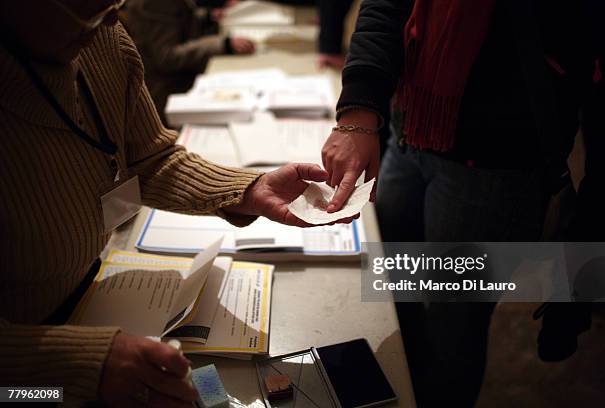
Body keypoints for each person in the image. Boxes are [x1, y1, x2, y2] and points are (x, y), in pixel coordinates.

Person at [0, 0, 350, 405]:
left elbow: (149, 155)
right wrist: (78, 362)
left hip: (97, 296)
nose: (114, 17)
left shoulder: (102, 36)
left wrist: (247, 190)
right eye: (88, 7)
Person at [322, 0, 605, 406]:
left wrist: (592, 222)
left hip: (495, 167)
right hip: (413, 132)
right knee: (392, 299)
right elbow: (386, 5)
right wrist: (359, 108)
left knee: (450, 334)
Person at [123, 0, 255, 123]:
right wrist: (223, 44)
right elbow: (167, 57)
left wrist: (208, 16)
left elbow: (178, 17)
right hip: (168, 92)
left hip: (179, 81)